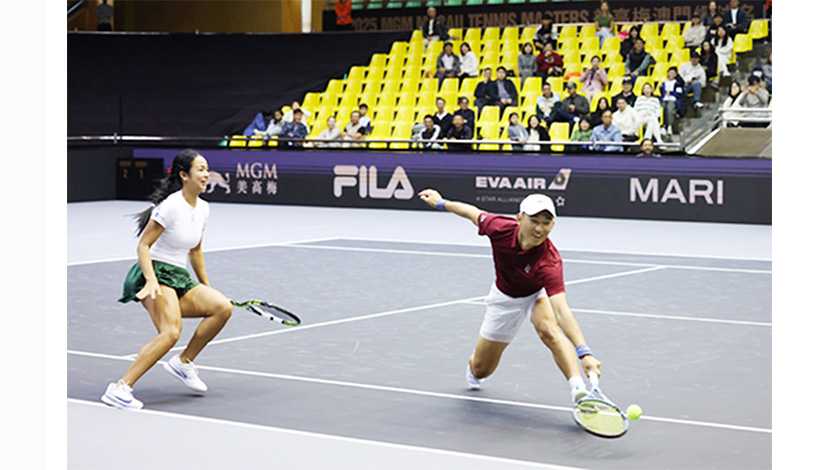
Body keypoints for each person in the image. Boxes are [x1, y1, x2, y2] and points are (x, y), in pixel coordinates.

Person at [416, 190, 602, 403]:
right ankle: (475, 367)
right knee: (480, 369)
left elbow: (561, 311)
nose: (539, 229)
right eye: (534, 221)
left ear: (553, 225)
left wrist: (584, 353)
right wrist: (441, 202)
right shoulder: (499, 228)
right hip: (504, 299)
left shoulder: (549, 262)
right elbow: (470, 212)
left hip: (535, 294)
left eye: (546, 223)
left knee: (548, 330)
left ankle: (578, 389)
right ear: (519, 218)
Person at [102, 149, 233, 410]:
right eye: (200, 169)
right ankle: (120, 388)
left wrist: (206, 287)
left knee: (222, 307)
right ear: (184, 175)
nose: (206, 174)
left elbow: (195, 250)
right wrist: (151, 280)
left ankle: (183, 362)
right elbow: (143, 246)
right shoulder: (171, 206)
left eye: (207, 169)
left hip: (179, 276)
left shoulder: (204, 208)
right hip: (156, 272)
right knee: (171, 332)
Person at [659, 66, 686, 135]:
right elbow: (662, 93)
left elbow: (679, 93)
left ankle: (669, 125)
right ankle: (663, 126)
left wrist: (671, 93)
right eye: (670, 73)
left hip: (672, 100)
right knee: (662, 108)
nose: (671, 74)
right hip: (664, 99)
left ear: (676, 74)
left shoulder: (677, 83)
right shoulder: (664, 83)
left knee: (670, 110)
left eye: (673, 73)